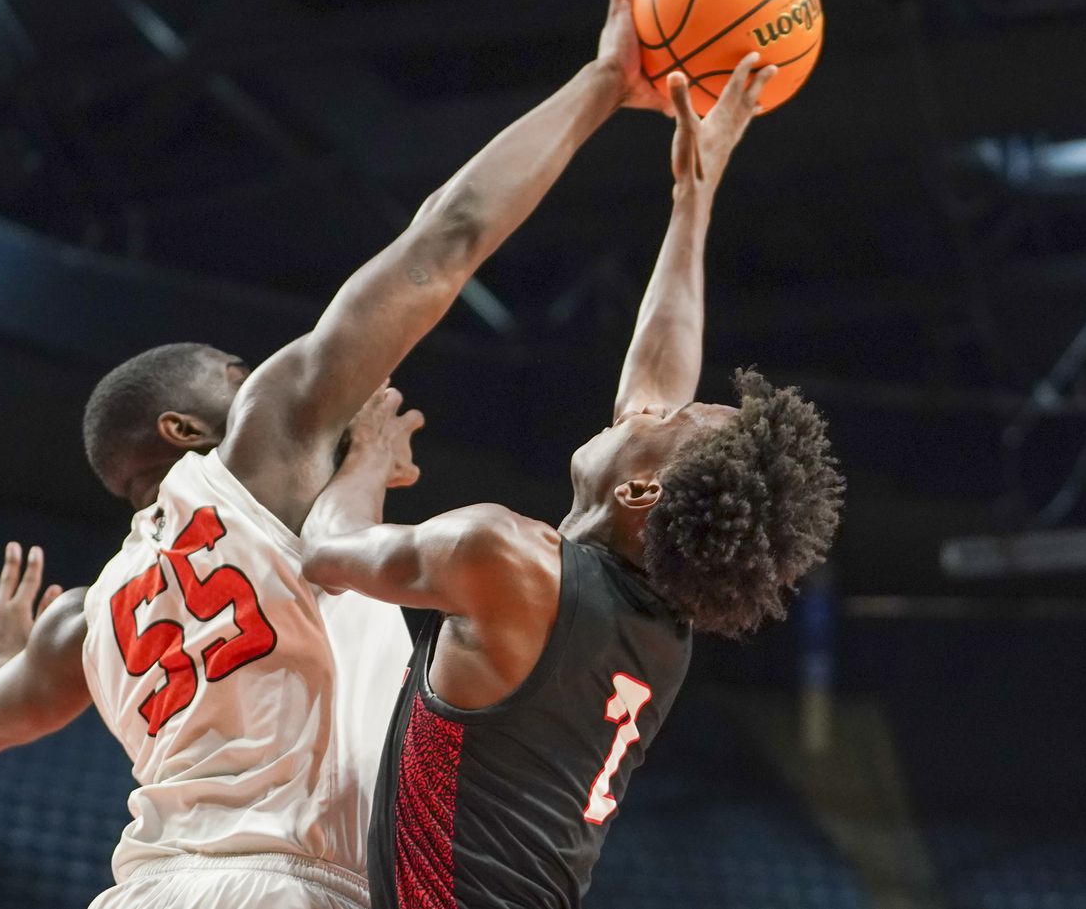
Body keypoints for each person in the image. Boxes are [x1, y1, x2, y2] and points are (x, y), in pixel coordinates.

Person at [0, 0, 667, 909]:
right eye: (235, 376)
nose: (258, 377)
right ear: (187, 428)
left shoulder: (83, 618)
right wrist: (602, 83)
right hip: (299, 885)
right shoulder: (260, 442)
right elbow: (441, 243)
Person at [300, 59, 847, 909]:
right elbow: (657, 377)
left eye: (666, 422)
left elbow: (324, 552)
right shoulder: (660, 622)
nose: (645, 406)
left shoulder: (506, 557)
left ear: (640, 495)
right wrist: (694, 196)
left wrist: (366, 459)